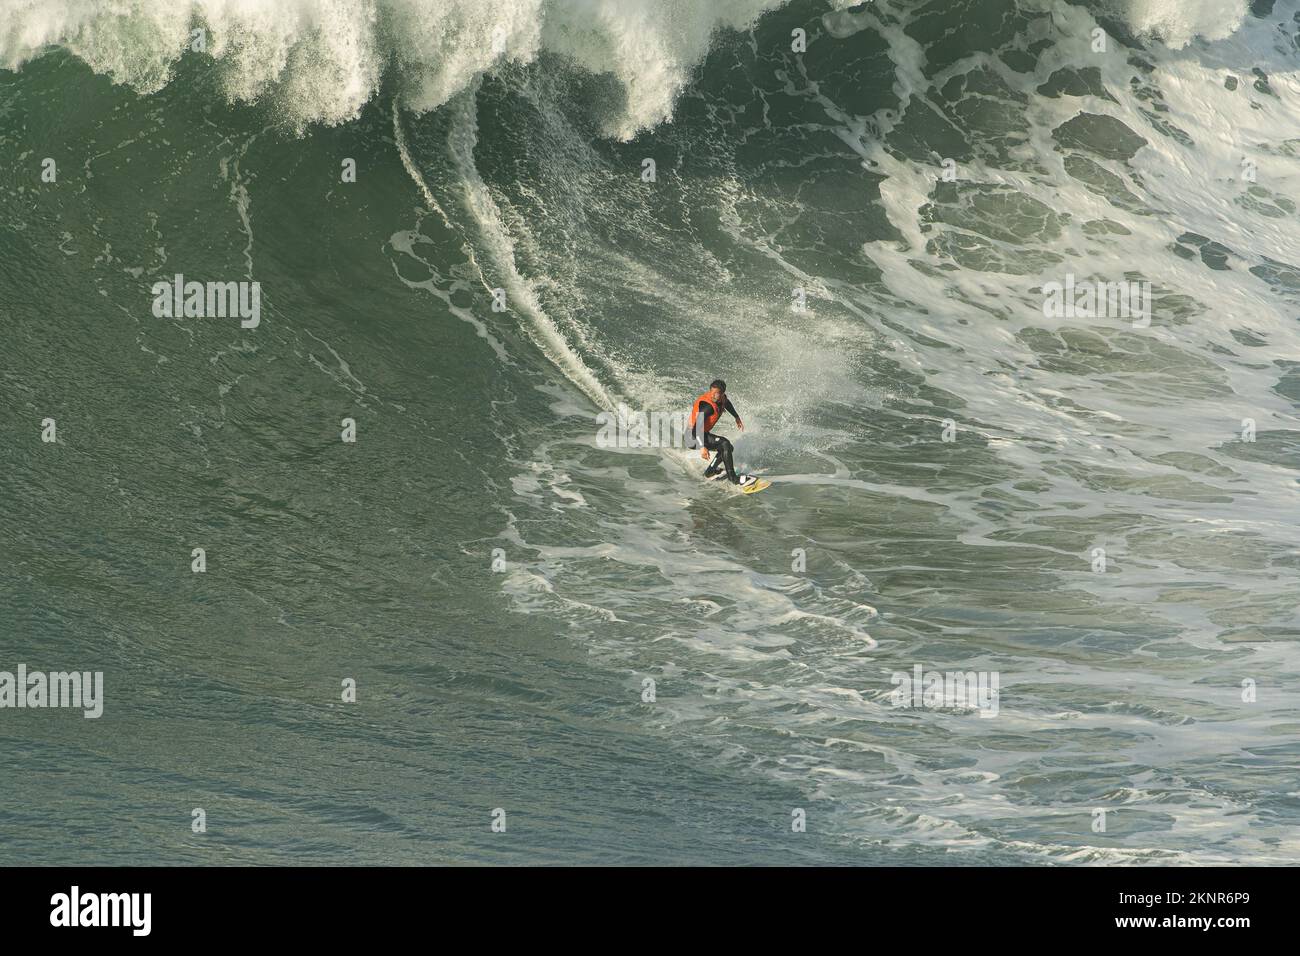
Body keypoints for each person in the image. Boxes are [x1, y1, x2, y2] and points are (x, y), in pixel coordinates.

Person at [687, 379, 749, 485]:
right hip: (693, 437)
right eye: (712, 392)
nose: (714, 395)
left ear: (723, 393)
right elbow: (696, 429)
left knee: (728, 448)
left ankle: (710, 471)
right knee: (725, 443)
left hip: (702, 433)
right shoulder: (707, 407)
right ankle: (733, 479)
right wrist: (702, 447)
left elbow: (726, 403)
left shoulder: (722, 398)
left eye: (717, 393)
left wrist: (736, 417)